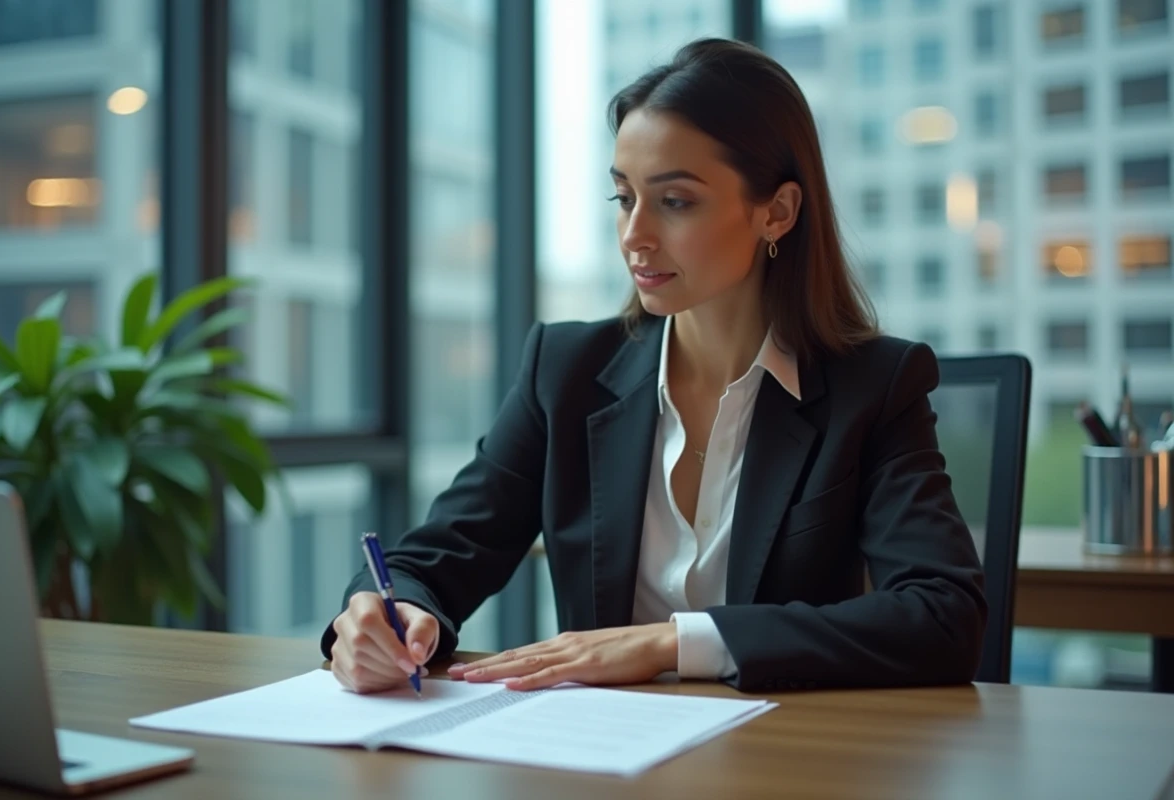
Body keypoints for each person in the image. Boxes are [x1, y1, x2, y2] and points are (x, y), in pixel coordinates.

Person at [321, 38, 986, 695]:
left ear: (776, 212)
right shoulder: (565, 372)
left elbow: (941, 615)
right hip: (603, 760)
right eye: (624, 198)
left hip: (782, 759)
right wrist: (384, 617)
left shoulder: (874, 386)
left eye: (674, 201)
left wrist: (673, 641)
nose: (635, 235)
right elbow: (430, 559)